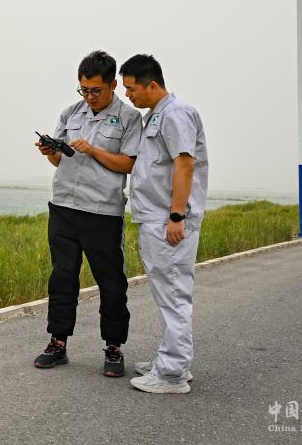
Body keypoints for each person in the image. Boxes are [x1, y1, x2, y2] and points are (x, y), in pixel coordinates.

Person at [33, 50, 142, 378]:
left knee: (111, 283)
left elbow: (129, 164)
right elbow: (59, 161)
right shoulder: (70, 113)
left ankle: (114, 347)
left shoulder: (129, 118)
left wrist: (94, 150)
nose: (89, 97)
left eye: (96, 90)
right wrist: (49, 151)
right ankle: (58, 343)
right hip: (64, 207)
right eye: (84, 90)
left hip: (102, 212)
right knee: (62, 277)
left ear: (112, 85)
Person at [119, 54, 208, 395]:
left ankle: (172, 373)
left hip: (168, 222)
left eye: (131, 89)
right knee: (167, 293)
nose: (128, 95)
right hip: (156, 219)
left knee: (173, 295)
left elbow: (184, 164)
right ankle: (171, 359)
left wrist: (176, 216)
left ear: (152, 85)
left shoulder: (176, 114)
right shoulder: (157, 115)